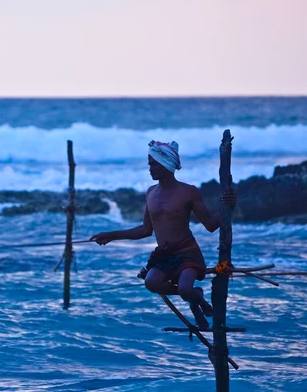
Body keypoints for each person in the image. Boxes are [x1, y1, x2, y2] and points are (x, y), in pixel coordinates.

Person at [90, 140, 236, 330]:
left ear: (167, 164)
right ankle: (196, 295)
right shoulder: (151, 193)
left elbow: (210, 225)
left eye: (154, 164)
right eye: (149, 164)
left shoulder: (188, 192)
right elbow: (145, 230)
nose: (150, 168)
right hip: (164, 255)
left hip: (186, 252)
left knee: (184, 288)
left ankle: (196, 299)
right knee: (151, 283)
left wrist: (228, 208)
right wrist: (112, 235)